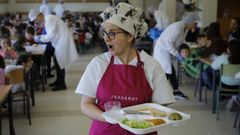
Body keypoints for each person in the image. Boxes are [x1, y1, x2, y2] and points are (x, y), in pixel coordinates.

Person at [75, 2, 175, 135]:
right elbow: (86, 104)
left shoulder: (151, 65)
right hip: (105, 131)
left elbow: (161, 106)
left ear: (130, 36)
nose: (106, 39)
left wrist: (142, 117)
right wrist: (106, 117)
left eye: (112, 34)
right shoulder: (98, 64)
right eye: (105, 33)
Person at [28, 9, 79, 91]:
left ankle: (62, 84)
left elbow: (51, 35)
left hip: (62, 42)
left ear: (38, 15)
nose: (36, 22)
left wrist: (39, 39)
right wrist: (41, 38)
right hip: (60, 42)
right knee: (57, 61)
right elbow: (51, 34)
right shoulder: (47, 19)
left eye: (35, 20)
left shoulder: (49, 19)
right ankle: (58, 81)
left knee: (60, 63)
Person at [153, 13, 199, 100]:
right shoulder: (177, 27)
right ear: (190, 22)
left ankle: (175, 91)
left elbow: (179, 41)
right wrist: (177, 54)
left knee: (170, 71)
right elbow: (168, 43)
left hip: (168, 50)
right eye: (194, 23)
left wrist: (183, 50)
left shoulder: (184, 28)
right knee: (166, 71)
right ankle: (158, 93)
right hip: (163, 50)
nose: (195, 26)